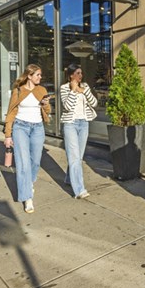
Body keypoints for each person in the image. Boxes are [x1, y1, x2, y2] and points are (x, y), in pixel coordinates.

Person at [3, 64, 51, 213]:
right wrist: (8, 135)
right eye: (37, 75)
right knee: (23, 162)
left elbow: (47, 111)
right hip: (20, 127)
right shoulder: (18, 91)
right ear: (29, 76)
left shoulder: (42, 90)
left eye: (40, 75)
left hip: (37, 128)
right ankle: (27, 197)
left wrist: (46, 104)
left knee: (35, 160)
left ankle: (29, 182)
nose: (40, 77)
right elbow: (11, 113)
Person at [59, 63, 97, 199]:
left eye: (81, 73)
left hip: (84, 123)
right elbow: (67, 106)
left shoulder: (85, 86)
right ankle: (79, 190)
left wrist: (84, 91)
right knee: (74, 157)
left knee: (78, 157)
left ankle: (69, 178)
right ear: (71, 75)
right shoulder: (64, 88)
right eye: (78, 73)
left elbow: (94, 103)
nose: (81, 75)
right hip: (70, 124)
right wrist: (74, 91)